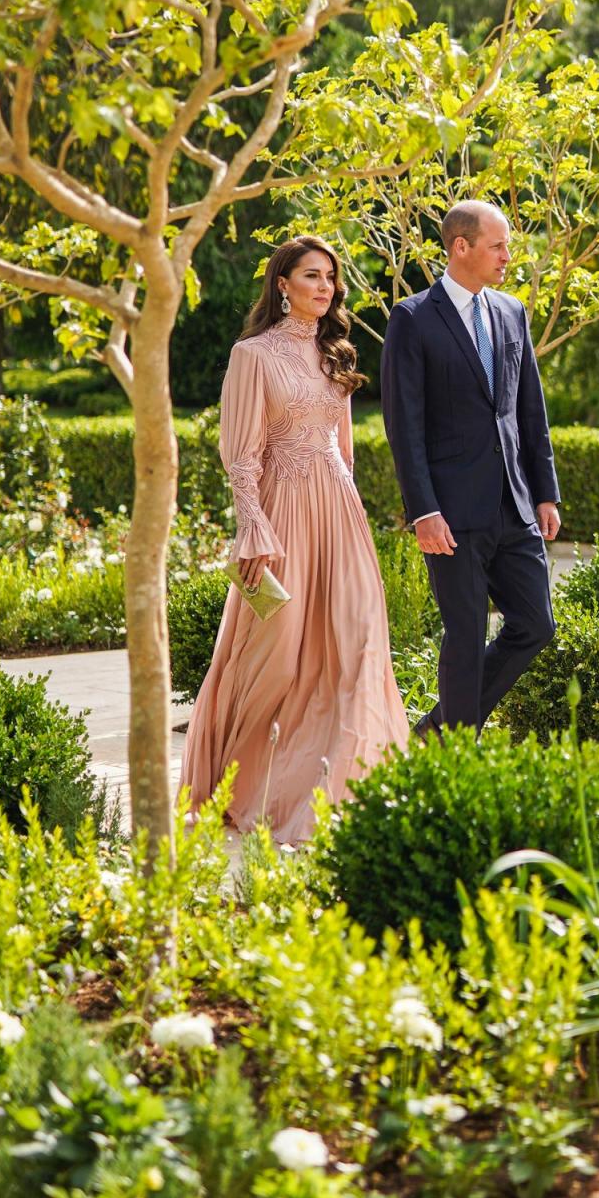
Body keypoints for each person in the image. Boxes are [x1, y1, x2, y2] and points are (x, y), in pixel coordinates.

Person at [179, 238, 408, 843]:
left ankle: (351, 790)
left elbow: (345, 447)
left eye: (330, 278)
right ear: (282, 283)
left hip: (340, 515)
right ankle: (251, 786)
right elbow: (242, 454)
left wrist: (348, 509)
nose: (325, 287)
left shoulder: (338, 351)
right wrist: (252, 525)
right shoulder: (251, 356)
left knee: (357, 643)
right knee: (277, 660)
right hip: (282, 515)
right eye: (312, 276)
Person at [380, 200, 561, 738]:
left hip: (515, 503)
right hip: (452, 514)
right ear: (461, 247)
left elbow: (531, 408)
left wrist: (545, 492)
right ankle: (456, 753)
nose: (508, 256)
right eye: (498, 246)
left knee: (536, 625)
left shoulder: (511, 311)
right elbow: (403, 425)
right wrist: (424, 511)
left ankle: (440, 726)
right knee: (465, 632)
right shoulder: (412, 319)